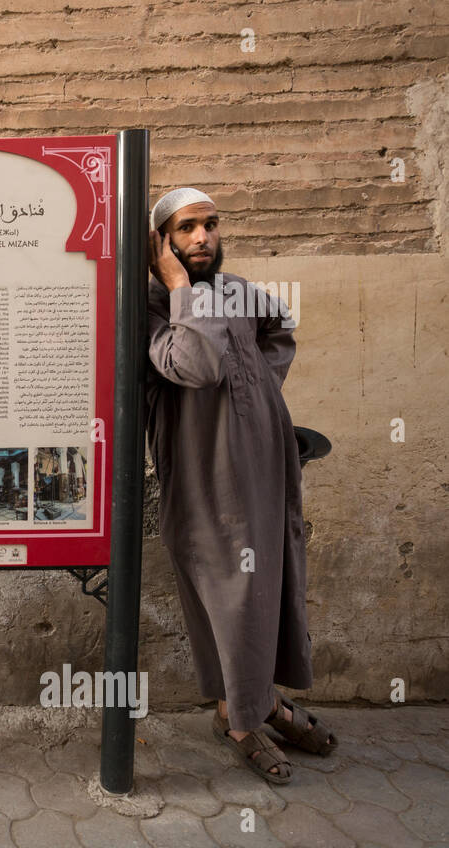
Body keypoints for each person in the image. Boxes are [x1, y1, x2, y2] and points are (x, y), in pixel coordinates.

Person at [145, 187, 337, 784]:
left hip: (267, 461)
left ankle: (254, 704)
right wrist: (178, 285)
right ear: (161, 243)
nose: (202, 237)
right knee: (229, 589)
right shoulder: (152, 305)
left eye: (210, 224)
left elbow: (279, 330)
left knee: (270, 583)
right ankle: (242, 717)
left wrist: (260, 391)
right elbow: (197, 366)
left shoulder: (238, 291)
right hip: (205, 470)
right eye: (185, 228)